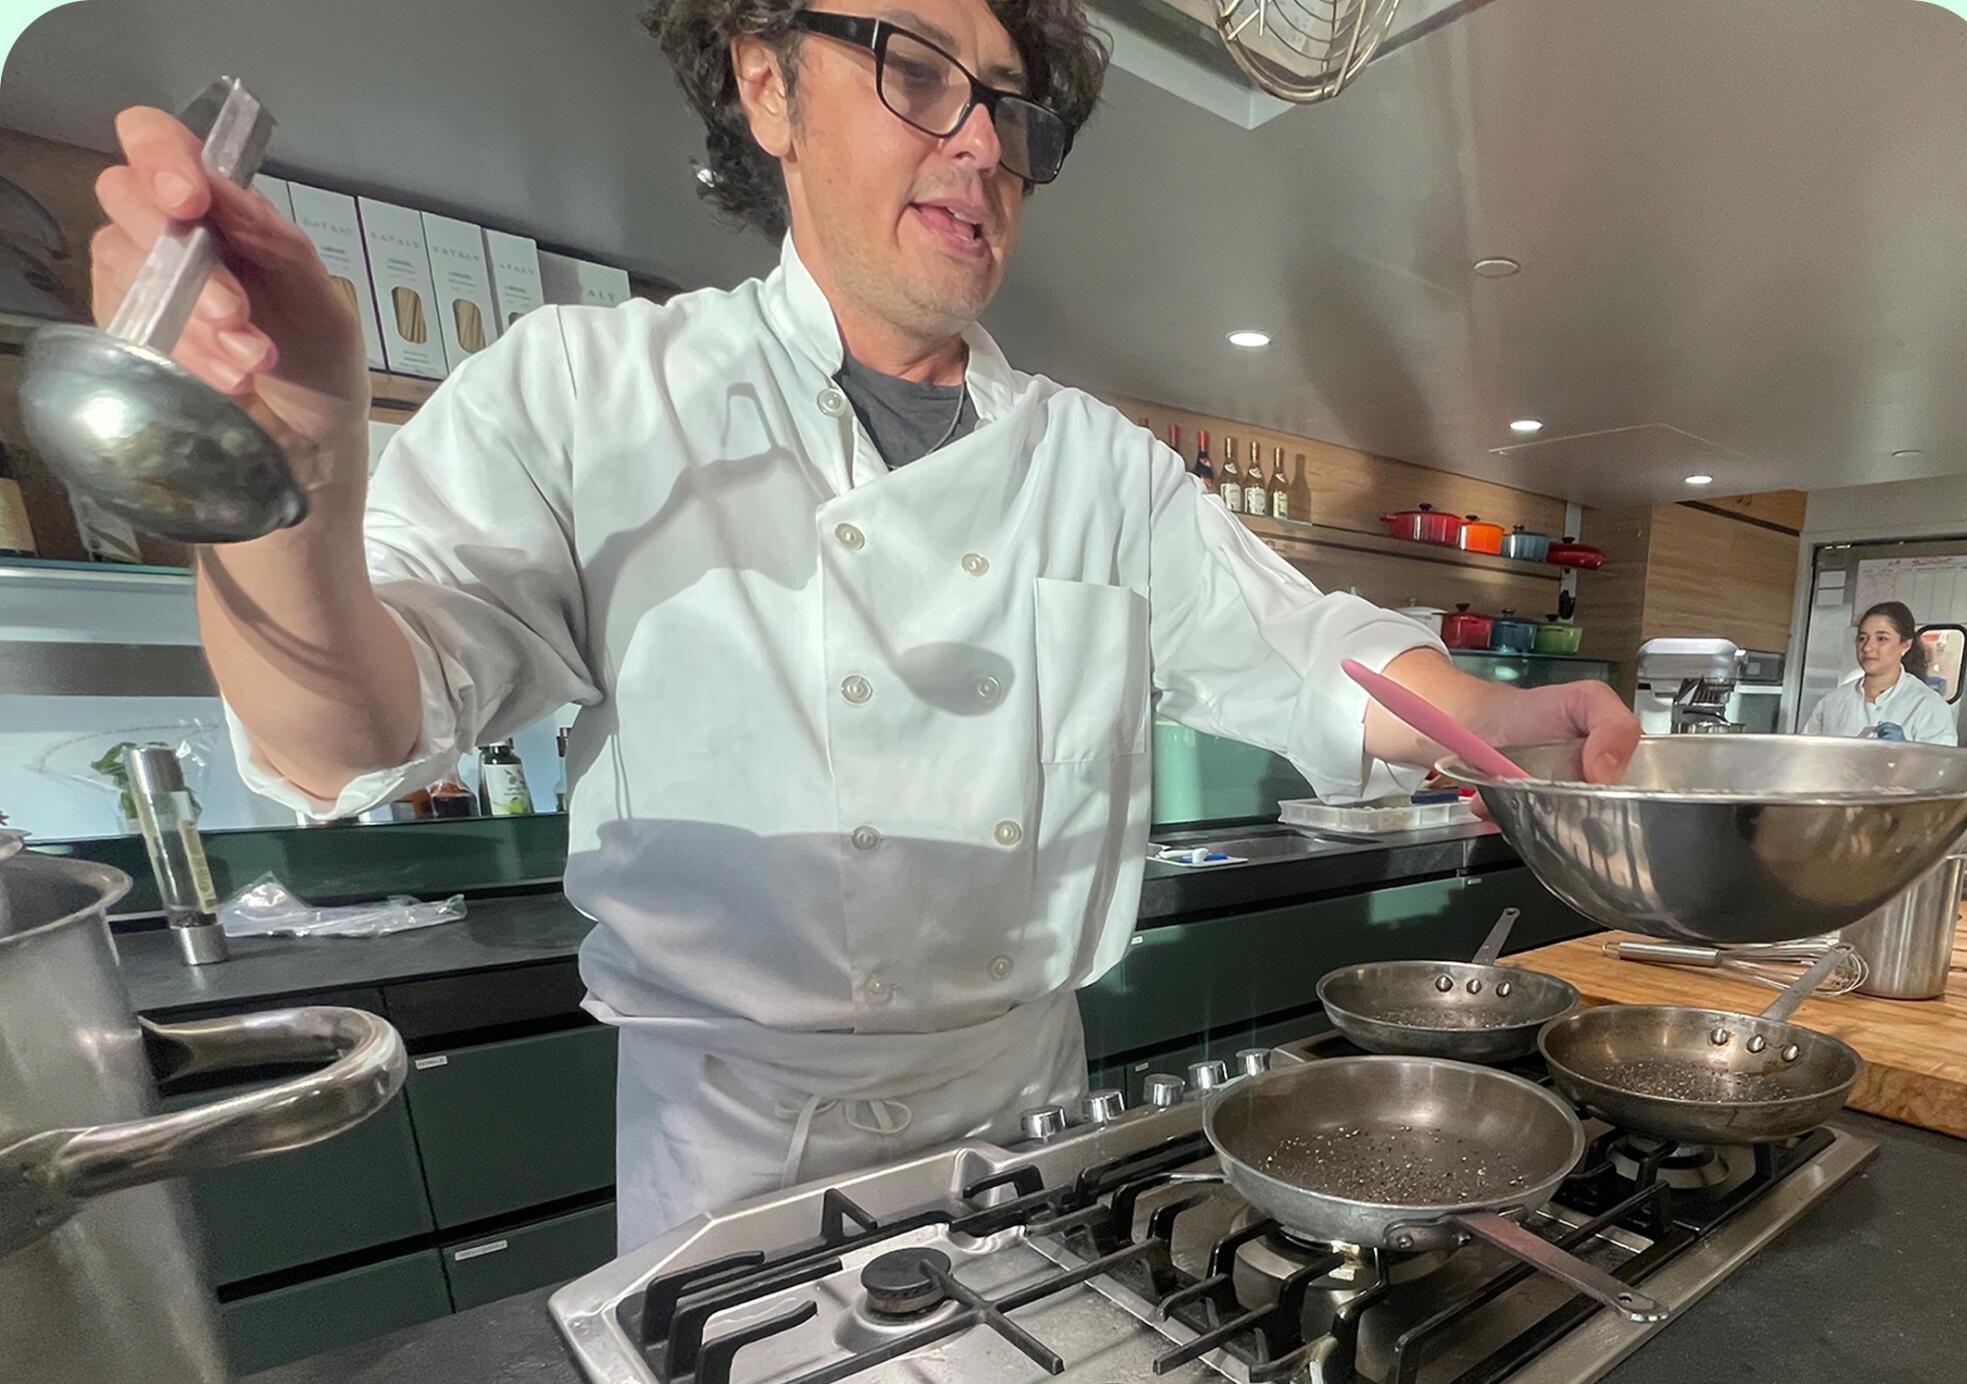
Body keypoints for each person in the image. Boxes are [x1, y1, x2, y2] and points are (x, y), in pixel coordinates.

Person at [89, 0, 1640, 1249]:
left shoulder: (1092, 462)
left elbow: (1311, 653)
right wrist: (283, 487)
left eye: (1014, 109)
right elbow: (338, 731)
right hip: (732, 1153)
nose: (981, 146)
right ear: (767, 83)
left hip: (1029, 1114)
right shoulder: (589, 395)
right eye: (917, 70)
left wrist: (1496, 717)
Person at [1802, 600, 1956, 744]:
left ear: (1905, 645)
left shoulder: (1928, 706)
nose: (1867, 647)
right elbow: (1807, 758)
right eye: (1862, 638)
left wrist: (1908, 750)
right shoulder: (1832, 702)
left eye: (1881, 638)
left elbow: (1942, 767)